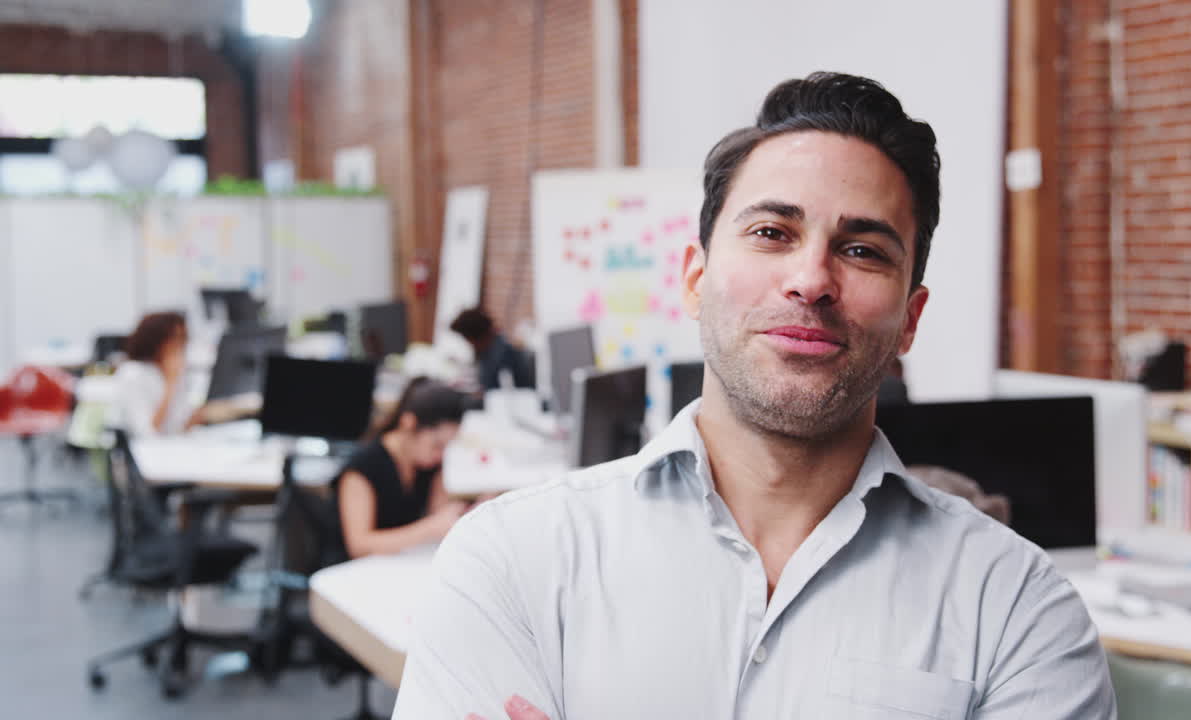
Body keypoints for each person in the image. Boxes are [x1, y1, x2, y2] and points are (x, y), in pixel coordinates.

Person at [395, 73, 1116, 719]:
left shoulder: (1020, 610)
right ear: (695, 280)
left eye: (863, 249)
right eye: (772, 232)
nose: (812, 279)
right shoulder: (513, 561)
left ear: (911, 319)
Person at [334, 379, 472, 559]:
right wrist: (429, 528)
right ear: (408, 423)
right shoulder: (362, 469)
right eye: (437, 445)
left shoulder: (429, 463)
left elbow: (440, 513)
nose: (441, 455)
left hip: (398, 562)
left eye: (447, 447)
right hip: (350, 571)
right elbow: (359, 545)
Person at [113, 311, 205, 436]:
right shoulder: (132, 373)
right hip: (147, 450)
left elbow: (181, 423)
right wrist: (170, 383)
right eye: (175, 339)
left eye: (183, 338)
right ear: (155, 340)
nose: (180, 346)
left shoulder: (173, 369)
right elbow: (148, 432)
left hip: (175, 445)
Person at [449, 308, 536, 390]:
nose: (469, 344)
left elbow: (497, 390)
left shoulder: (501, 354)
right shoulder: (493, 349)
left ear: (477, 337)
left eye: (467, 339)